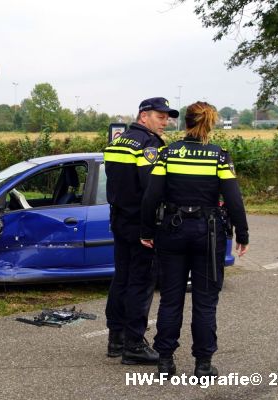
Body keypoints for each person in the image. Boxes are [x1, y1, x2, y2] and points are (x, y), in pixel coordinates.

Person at [140, 101, 249, 377]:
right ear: (209, 124)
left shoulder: (168, 153)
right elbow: (234, 199)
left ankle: (165, 362)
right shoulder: (218, 156)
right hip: (208, 235)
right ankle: (203, 365)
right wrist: (243, 234)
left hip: (172, 233)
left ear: (185, 123)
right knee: (205, 301)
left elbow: (151, 196)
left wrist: (147, 231)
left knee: (170, 300)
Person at [104, 97, 178, 365]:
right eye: (160, 117)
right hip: (141, 222)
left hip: (119, 219)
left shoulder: (118, 141)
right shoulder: (149, 144)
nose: (165, 122)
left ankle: (116, 338)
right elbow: (152, 189)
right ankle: (134, 344)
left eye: (167, 117)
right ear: (144, 116)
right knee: (142, 282)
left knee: (121, 278)